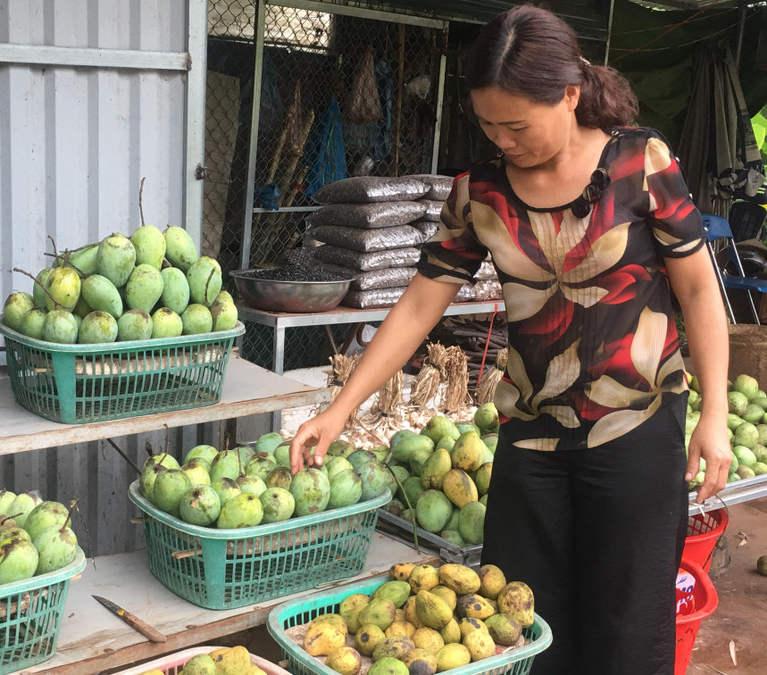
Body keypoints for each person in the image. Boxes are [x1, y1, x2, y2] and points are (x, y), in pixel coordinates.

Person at [290, 5, 732, 674]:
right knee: (521, 624)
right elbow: (415, 309)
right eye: (489, 124)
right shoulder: (480, 193)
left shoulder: (641, 163)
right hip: (532, 441)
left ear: (571, 96)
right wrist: (339, 409)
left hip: (637, 434)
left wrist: (717, 414)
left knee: (629, 626)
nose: (503, 140)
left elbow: (699, 291)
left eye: (517, 125)